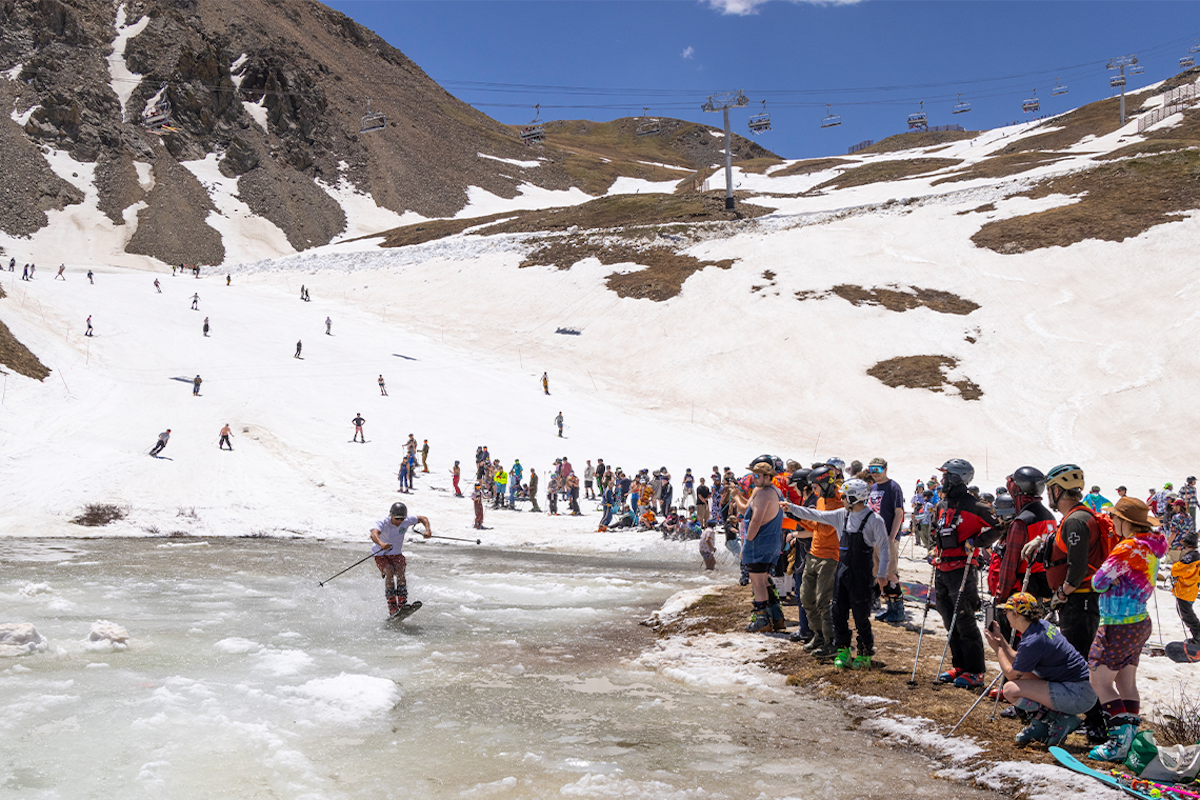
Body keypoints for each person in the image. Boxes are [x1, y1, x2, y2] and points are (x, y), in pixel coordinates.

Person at [1022, 462, 1109, 742]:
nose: (1048, 494)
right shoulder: (1074, 517)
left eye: (1050, 489)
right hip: (1080, 600)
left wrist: (1062, 593)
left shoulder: (1075, 520)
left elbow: (1078, 564)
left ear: (1058, 489)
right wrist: (1041, 540)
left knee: (1080, 660)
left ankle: (1096, 721)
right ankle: (1091, 717)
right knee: (1080, 657)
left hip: (1079, 600)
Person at [1087, 497, 1168, 762]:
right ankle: (1130, 740)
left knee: (1099, 680)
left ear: (1126, 522)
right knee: (1125, 681)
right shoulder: (1152, 547)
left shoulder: (1127, 548)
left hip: (1117, 623)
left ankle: (1118, 743)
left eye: (1115, 519)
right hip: (1139, 621)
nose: (1112, 524)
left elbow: (1099, 582)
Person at [785, 477, 890, 668]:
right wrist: (791, 508)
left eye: (844, 497)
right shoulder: (842, 515)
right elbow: (815, 515)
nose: (841, 500)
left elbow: (884, 548)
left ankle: (865, 652)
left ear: (854, 498)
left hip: (862, 574)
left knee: (860, 616)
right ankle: (842, 649)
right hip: (842, 572)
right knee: (838, 613)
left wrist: (882, 574)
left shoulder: (874, 519)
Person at [982, 592, 1098, 746]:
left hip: (1078, 695)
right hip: (1081, 689)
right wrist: (1001, 639)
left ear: (1016, 614)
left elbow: (1011, 674)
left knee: (1010, 690)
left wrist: (997, 650)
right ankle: (1044, 723)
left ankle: (1057, 719)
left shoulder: (1033, 640)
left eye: (1006, 612)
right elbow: (1019, 660)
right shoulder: (1040, 627)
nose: (1005, 615)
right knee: (1023, 679)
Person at [933, 458, 1002, 689]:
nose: (943, 480)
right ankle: (960, 665)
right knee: (948, 619)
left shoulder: (977, 506)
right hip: (942, 568)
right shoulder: (943, 505)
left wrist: (976, 542)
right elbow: (937, 529)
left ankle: (975, 671)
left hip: (963, 570)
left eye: (946, 476)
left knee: (964, 620)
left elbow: (999, 526)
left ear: (957, 478)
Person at [992, 467, 1055, 640]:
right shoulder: (1049, 516)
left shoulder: (1021, 521)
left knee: (1013, 641)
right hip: (1043, 587)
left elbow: (1010, 564)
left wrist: (1001, 597)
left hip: (1021, 589)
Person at [796, 464, 843, 655]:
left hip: (830, 557)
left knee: (823, 600)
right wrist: (797, 516)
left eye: (815, 486)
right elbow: (817, 526)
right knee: (806, 598)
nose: (813, 491)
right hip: (814, 553)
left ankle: (830, 641)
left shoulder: (840, 502)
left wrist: (798, 516)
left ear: (824, 484)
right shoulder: (822, 500)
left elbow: (823, 527)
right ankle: (818, 634)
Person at [742, 456, 787, 634]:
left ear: (768, 477)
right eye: (754, 476)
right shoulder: (776, 491)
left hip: (759, 543)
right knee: (766, 579)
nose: (755, 479)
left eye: (758, 476)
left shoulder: (763, 493)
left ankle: (762, 619)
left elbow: (755, 521)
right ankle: (776, 617)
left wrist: (748, 541)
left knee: (757, 581)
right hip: (773, 543)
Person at [369, 501, 432, 616]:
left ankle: (402, 603)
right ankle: (392, 606)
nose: (399, 522)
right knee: (389, 570)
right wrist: (381, 544)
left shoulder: (406, 520)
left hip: (396, 553)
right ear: (391, 515)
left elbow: (423, 518)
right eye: (396, 518)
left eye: (401, 519)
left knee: (400, 571)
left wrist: (427, 530)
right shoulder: (383, 522)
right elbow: (374, 534)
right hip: (381, 554)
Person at [866, 458, 907, 624]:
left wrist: (892, 536)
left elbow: (899, 513)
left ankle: (898, 610)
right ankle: (889, 608)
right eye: (871, 469)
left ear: (885, 468)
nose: (874, 473)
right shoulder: (873, 487)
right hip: (874, 537)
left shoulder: (893, 487)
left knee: (890, 572)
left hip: (887, 537)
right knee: (878, 574)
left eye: (877, 469)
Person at [1172, 531, 1200, 643]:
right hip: (1192, 589)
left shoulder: (1189, 558)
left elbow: (1175, 569)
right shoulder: (1197, 556)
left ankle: (1198, 636)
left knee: (1187, 615)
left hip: (1184, 591)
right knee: (1187, 613)